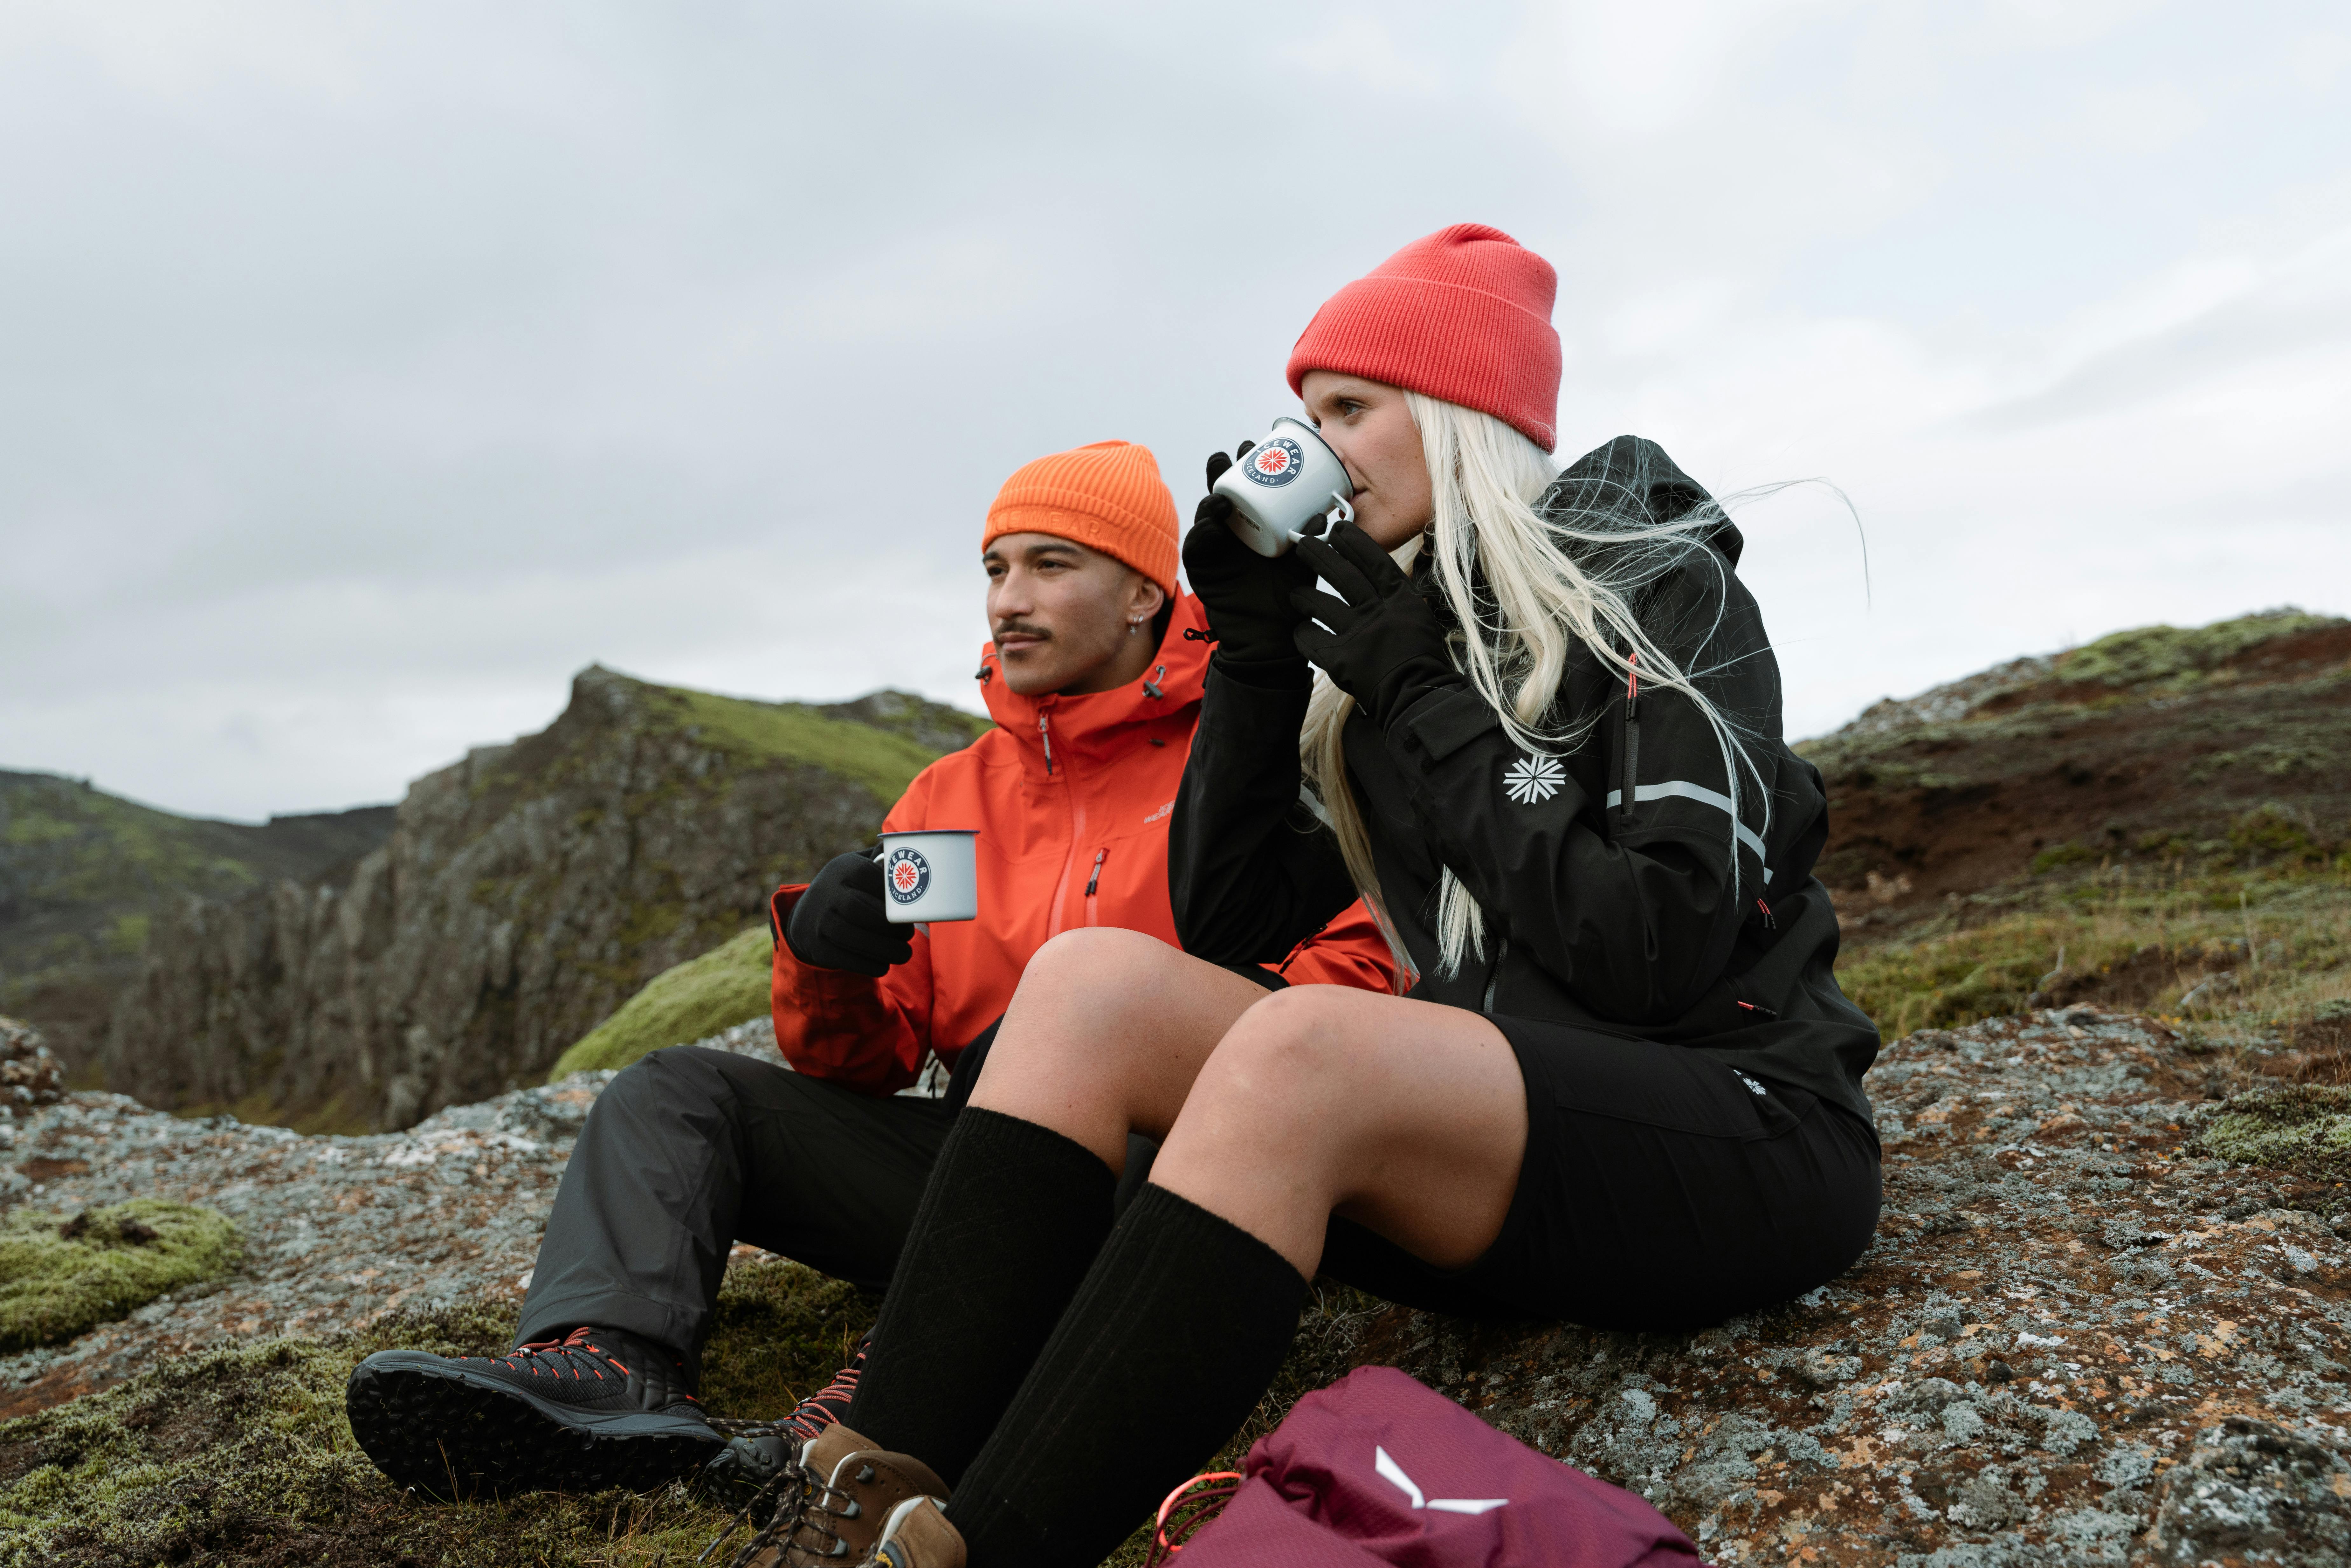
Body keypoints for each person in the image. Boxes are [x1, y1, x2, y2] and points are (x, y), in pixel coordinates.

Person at [740, 225, 1884, 1568]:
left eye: (1351, 410)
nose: (1321, 449)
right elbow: (1231, 929)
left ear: (1457, 417)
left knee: (1308, 1047)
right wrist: (1258, 657)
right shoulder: (1403, 639)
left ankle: (989, 1549)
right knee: (1092, 981)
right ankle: (885, 1472)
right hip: (1499, 1152)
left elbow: (1650, 950)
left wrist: (1423, 698)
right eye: (1309, 418)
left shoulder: (1652, 590)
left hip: (1737, 1134)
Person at [343, 441, 1394, 1502]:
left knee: (1119, 1111)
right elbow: (866, 1059)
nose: (1008, 601)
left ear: (1141, 594)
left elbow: (1362, 967)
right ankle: (608, 1369)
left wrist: (1142, 1039)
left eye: (1049, 565)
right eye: (994, 568)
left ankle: (879, 1404)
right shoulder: (949, 801)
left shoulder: (1250, 752)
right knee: (675, 1091)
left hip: (1169, 1177)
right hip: (966, 1178)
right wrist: (828, 963)